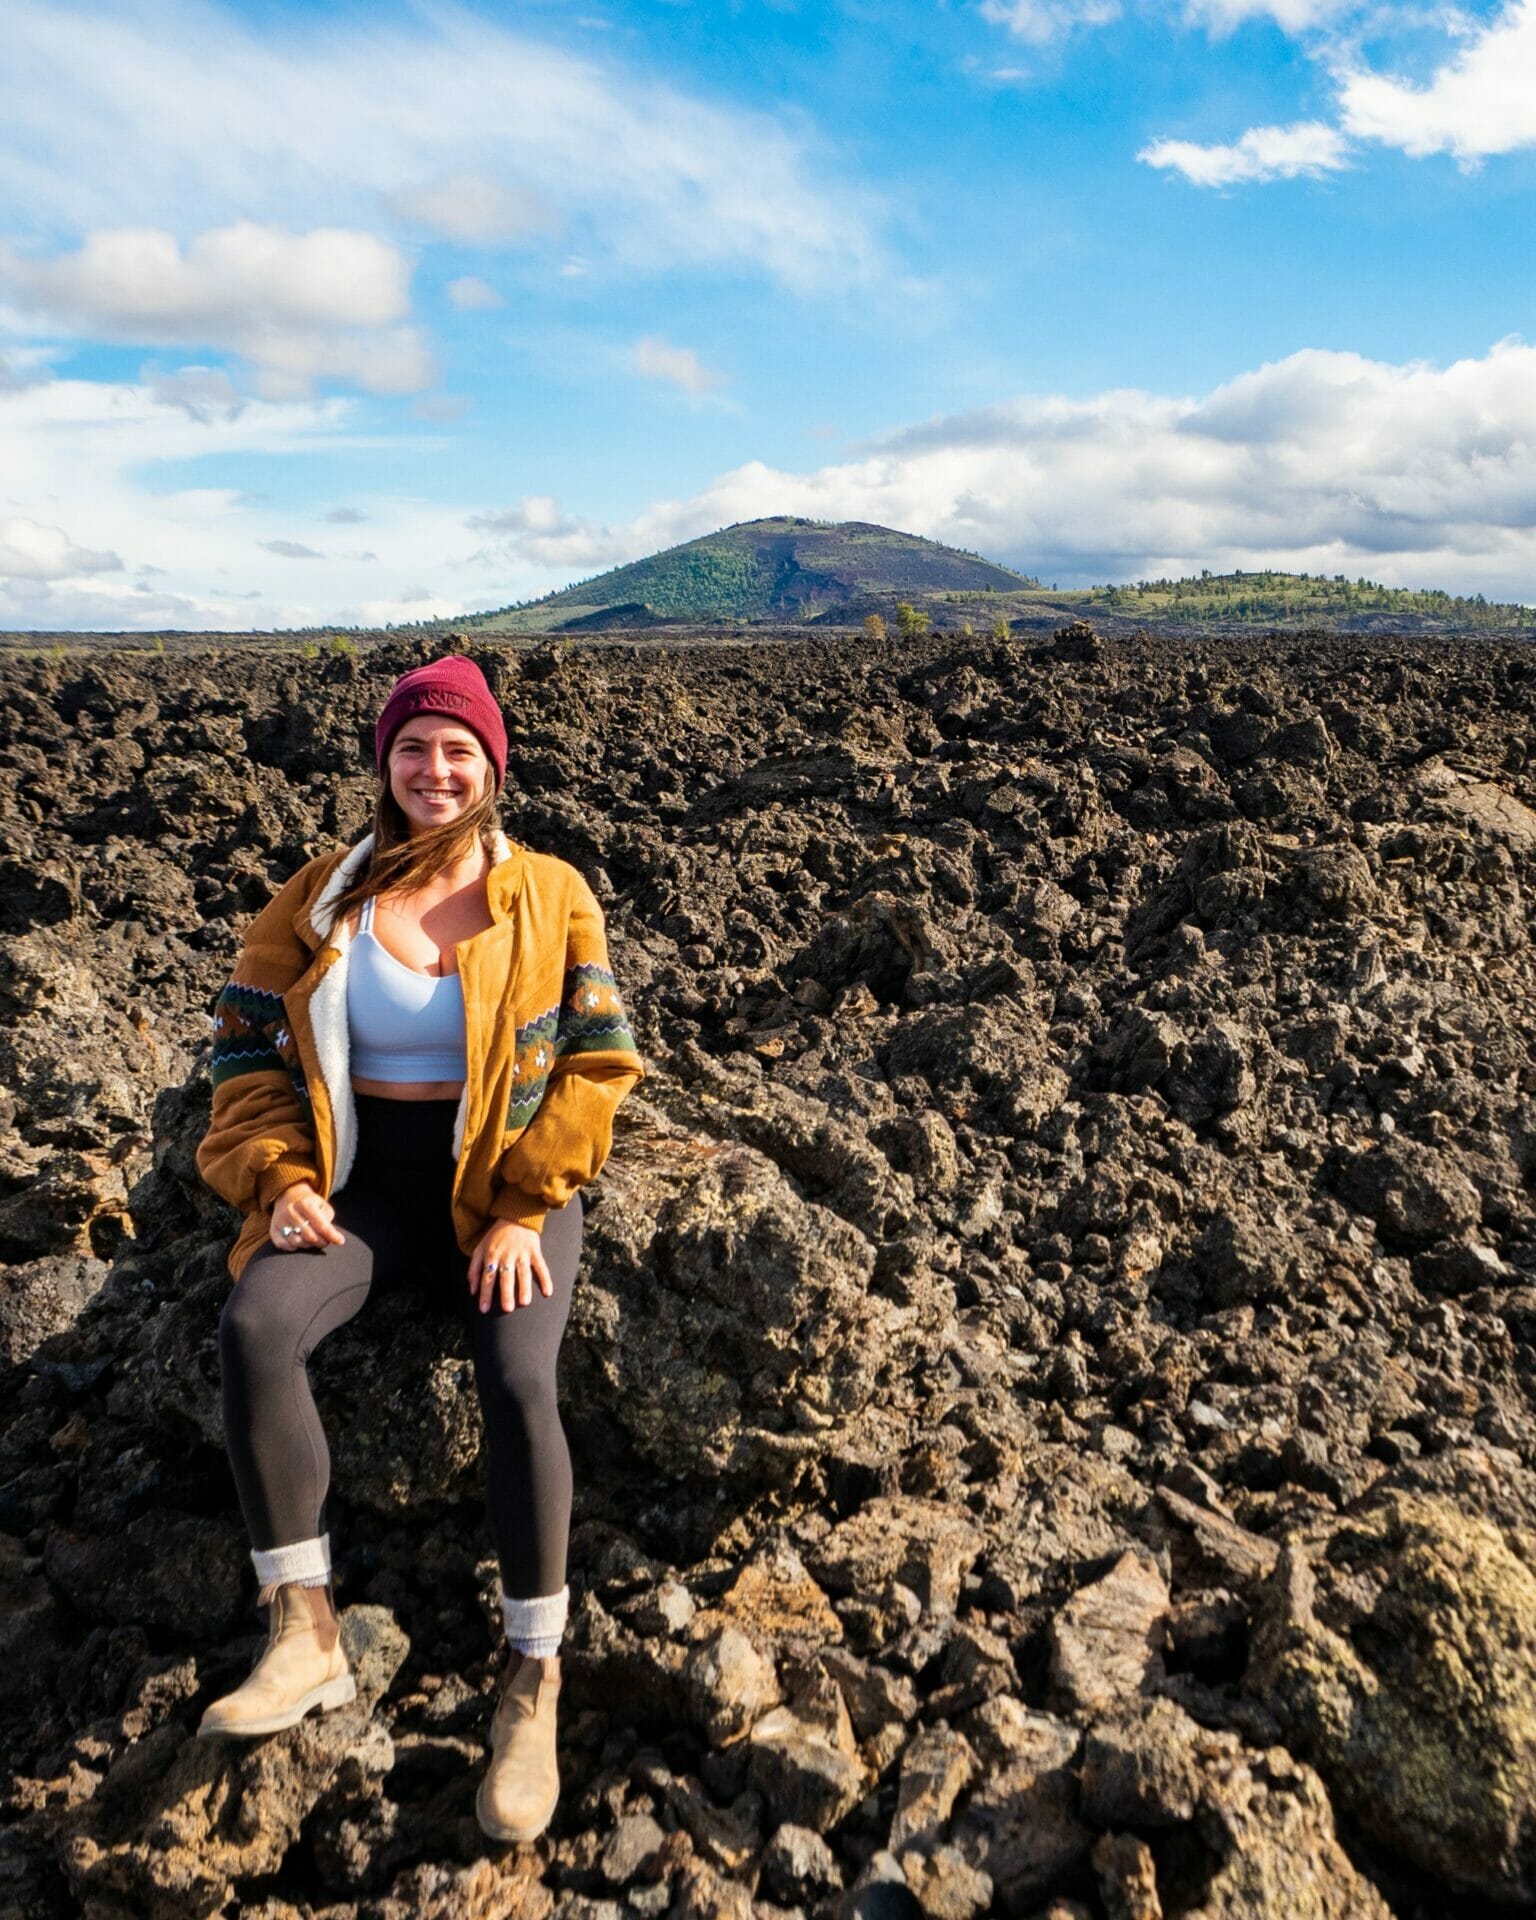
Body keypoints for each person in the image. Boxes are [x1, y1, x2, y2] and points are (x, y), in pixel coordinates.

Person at [192, 654, 644, 1845]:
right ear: (384, 763)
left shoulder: (550, 893)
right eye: (413, 748)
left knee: (514, 1374)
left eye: (459, 750)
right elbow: (245, 1066)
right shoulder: (315, 899)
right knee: (254, 1324)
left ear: (491, 767)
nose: (435, 769)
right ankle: (305, 1632)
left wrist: (523, 1205)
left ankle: (532, 1678)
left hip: (503, 1180)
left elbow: (598, 1066)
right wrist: (281, 1180)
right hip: (364, 1186)